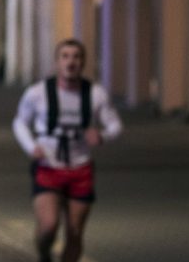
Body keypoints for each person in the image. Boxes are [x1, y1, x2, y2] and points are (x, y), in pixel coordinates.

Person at [12, 38, 122, 262]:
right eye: (65, 56)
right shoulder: (38, 93)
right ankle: (44, 254)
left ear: (83, 63)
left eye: (76, 57)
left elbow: (115, 125)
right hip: (48, 166)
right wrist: (31, 146)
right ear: (56, 62)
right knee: (49, 226)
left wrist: (102, 135)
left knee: (74, 232)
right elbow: (20, 122)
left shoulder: (95, 93)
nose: (71, 62)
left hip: (80, 167)